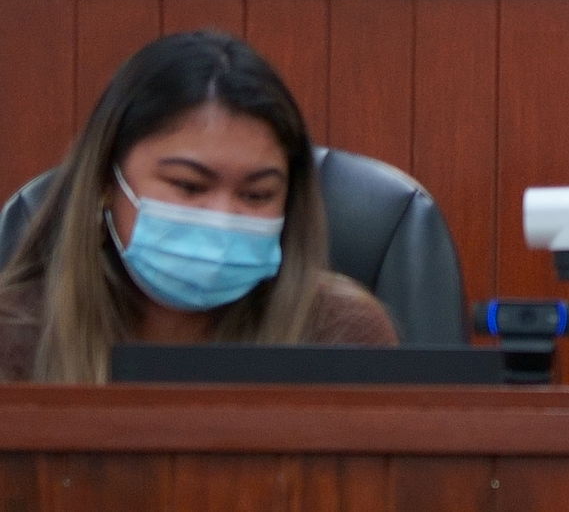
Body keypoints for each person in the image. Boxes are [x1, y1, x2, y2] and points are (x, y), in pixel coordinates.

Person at [0, 30, 397, 382]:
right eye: (189, 186)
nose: (222, 217)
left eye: (257, 195)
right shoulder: (13, 333)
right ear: (106, 181)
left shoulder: (341, 335)